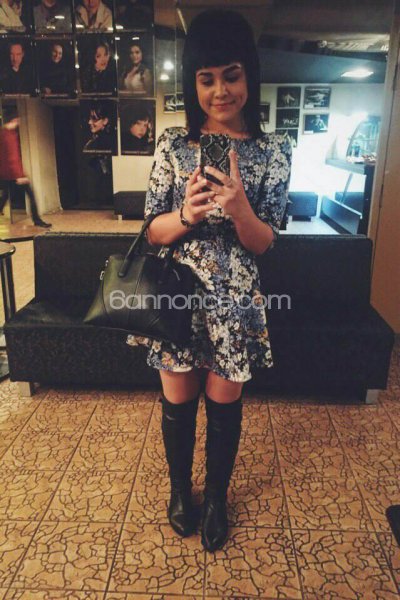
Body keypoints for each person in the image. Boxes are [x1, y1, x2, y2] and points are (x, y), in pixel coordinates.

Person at [126, 9, 292, 552]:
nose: (221, 91)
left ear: (250, 75)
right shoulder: (174, 145)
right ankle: (181, 490)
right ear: (193, 83)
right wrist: (187, 215)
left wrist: (240, 209)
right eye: (207, 78)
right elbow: (152, 232)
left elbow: (266, 243)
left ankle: (217, 497)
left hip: (235, 302)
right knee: (177, 401)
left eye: (232, 75)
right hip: (177, 295)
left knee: (224, 404)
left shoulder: (273, 151)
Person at [0, 116, 51, 228]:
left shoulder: (4, 134)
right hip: (13, 174)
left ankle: (37, 220)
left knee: (4, 197)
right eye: (17, 120)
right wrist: (19, 175)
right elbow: (12, 157)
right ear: (13, 120)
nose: (19, 122)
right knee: (31, 195)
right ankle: (37, 220)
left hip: (6, 173)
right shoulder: (9, 136)